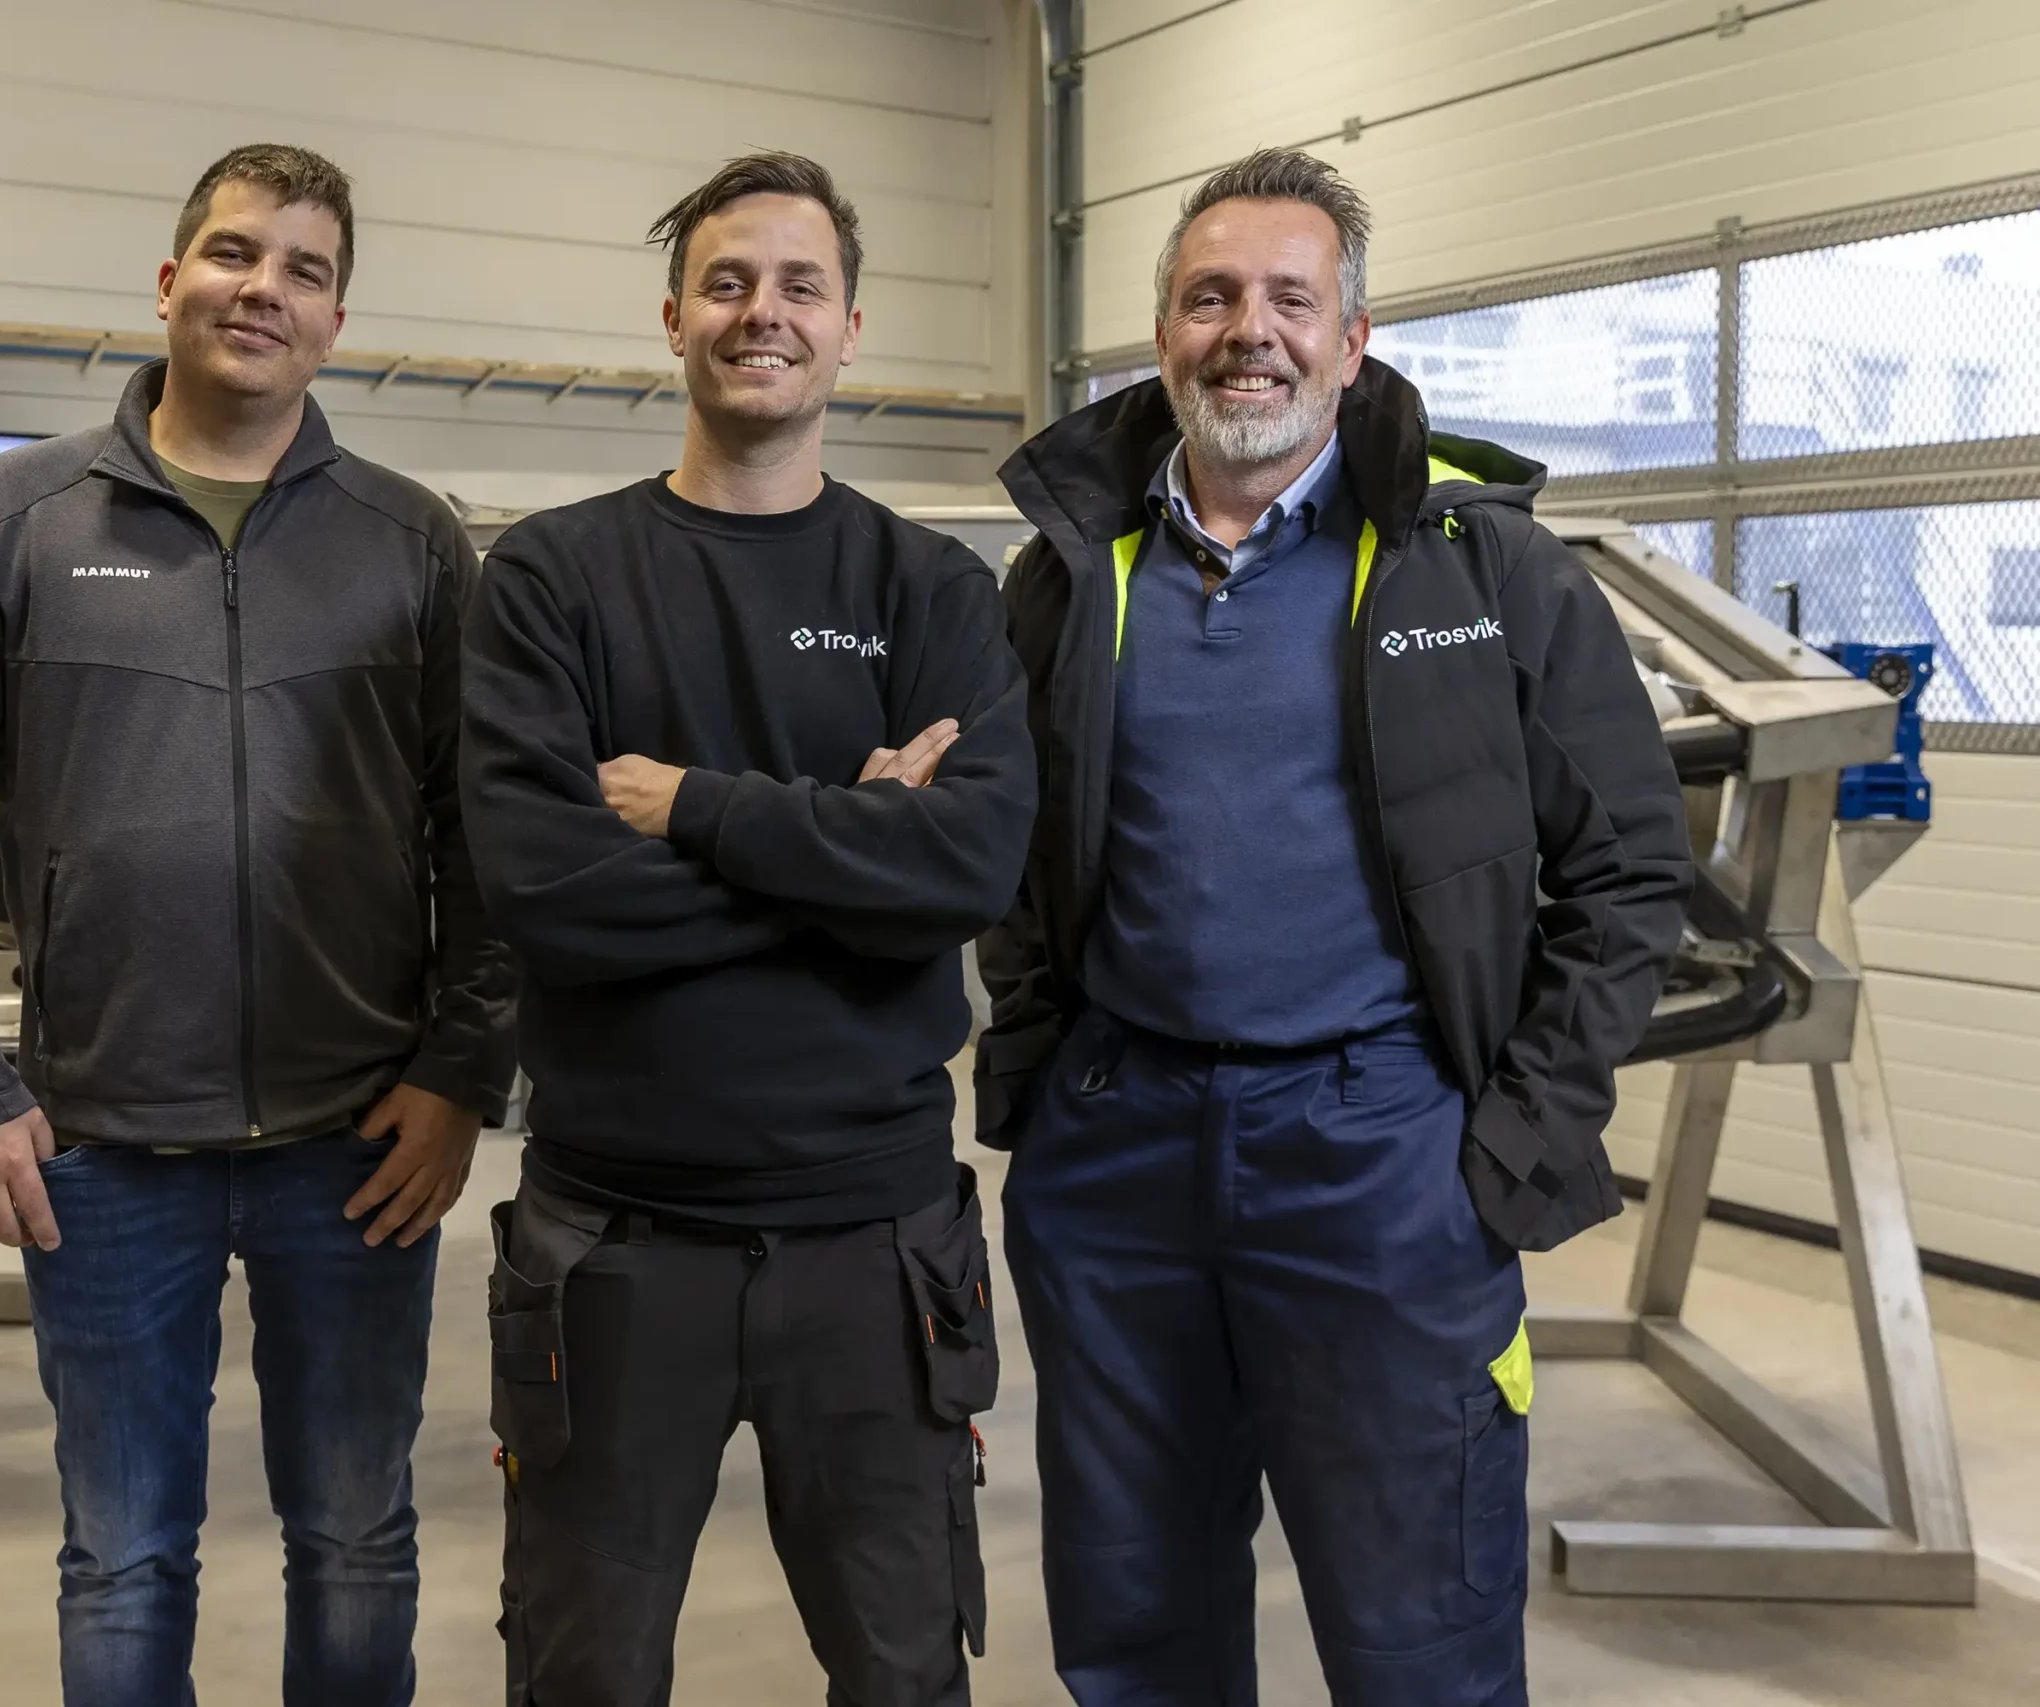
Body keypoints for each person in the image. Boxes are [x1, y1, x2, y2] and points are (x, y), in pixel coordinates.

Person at [975, 148, 1692, 1706]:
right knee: (1134, 1618)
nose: (1253, 331)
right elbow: (1018, 859)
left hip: (1385, 1155)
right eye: (1211, 296)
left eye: (1292, 299)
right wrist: (1042, 1080)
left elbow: (1633, 867)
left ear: (1353, 340)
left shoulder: (1480, 564)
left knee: (1418, 1630)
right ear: (1162, 333)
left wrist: (1511, 1137)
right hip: (1120, 1158)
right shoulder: (1064, 575)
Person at [0, 142, 516, 1707]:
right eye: (234, 254)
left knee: (357, 1533)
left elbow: (485, 831)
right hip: (97, 1142)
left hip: (357, 1141)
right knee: (124, 1549)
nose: (261, 290)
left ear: (338, 320)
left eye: (302, 269)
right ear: (170, 284)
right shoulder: (14, 519)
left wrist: (462, 1069)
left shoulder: (412, 540)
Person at [458, 150, 1038, 1707]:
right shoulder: (551, 579)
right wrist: (848, 839)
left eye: (797, 285)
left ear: (853, 328)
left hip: (878, 1244)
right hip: (612, 1242)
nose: (759, 313)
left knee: (907, 1673)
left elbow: (968, 868)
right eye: (727, 282)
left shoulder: (931, 587)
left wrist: (704, 809)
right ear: (672, 317)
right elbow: (545, 891)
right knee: (581, 1675)